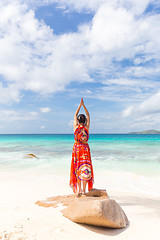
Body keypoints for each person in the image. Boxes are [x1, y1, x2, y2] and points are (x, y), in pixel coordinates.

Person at [70, 98, 94, 196]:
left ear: (78, 120)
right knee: (85, 168)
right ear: (85, 121)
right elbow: (88, 115)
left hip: (77, 149)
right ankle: (84, 190)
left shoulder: (76, 127)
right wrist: (84, 105)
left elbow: (75, 115)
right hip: (85, 149)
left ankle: (79, 190)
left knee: (77, 168)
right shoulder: (86, 128)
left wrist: (79, 105)